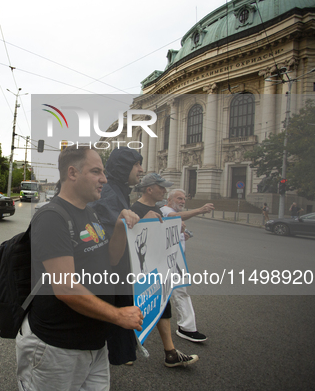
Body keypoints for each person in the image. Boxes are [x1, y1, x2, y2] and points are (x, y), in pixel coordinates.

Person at [16, 144, 143, 390]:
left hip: (94, 342)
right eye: (96, 172)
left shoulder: (90, 213)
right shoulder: (52, 217)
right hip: (57, 346)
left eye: (104, 172)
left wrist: (119, 227)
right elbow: (65, 288)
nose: (104, 179)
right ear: (72, 173)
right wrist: (118, 315)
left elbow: (111, 260)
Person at [131, 173, 199, 367]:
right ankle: (125, 349)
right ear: (149, 189)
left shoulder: (158, 208)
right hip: (140, 273)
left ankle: (170, 352)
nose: (164, 190)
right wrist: (143, 220)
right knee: (136, 308)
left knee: (163, 307)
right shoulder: (135, 208)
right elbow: (132, 239)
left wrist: (176, 228)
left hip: (158, 270)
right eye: (161, 187)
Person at [89, 147, 144, 366]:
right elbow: (112, 252)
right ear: (124, 167)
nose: (141, 169)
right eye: (137, 164)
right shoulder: (111, 193)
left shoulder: (117, 190)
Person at [161, 189, 214, 343]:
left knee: (180, 292)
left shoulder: (173, 213)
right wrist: (201, 210)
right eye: (179, 198)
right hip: (166, 262)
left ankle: (187, 328)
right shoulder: (165, 210)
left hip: (177, 261)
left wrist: (183, 236)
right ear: (170, 199)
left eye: (184, 199)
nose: (183, 201)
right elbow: (174, 217)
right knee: (156, 295)